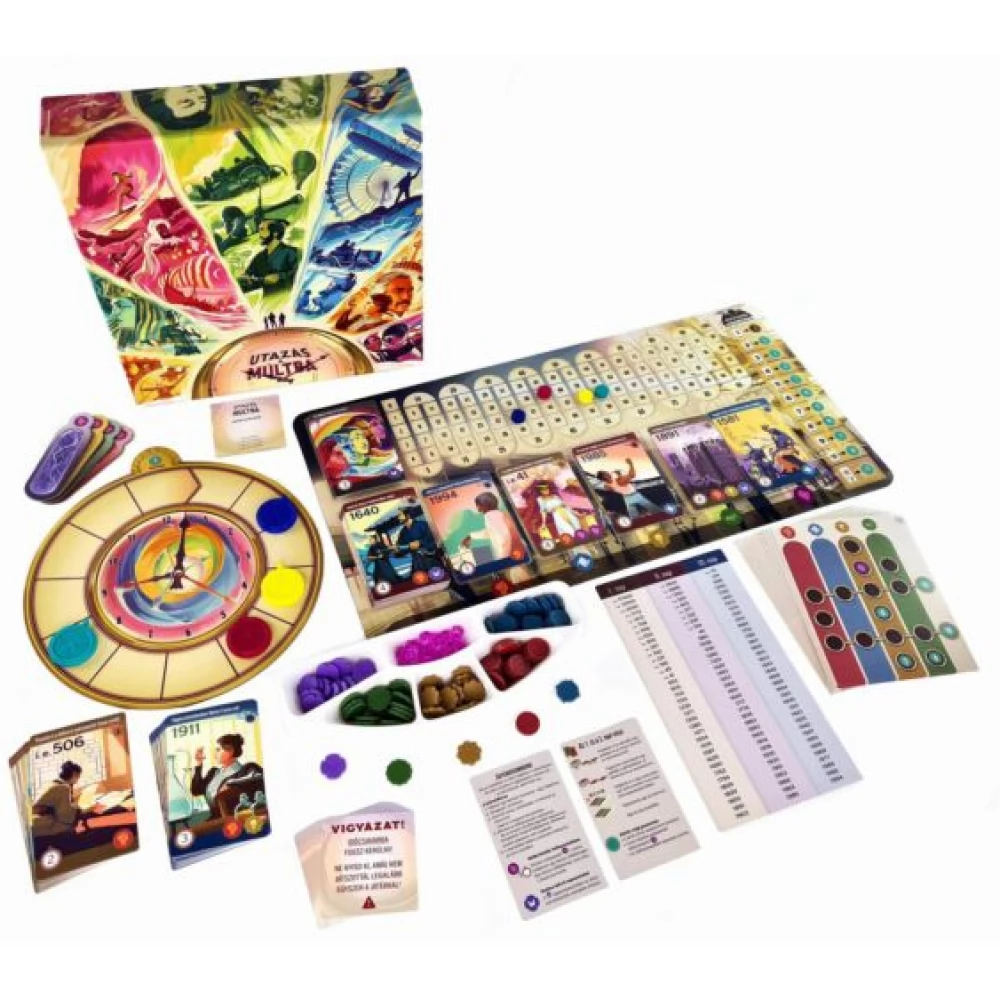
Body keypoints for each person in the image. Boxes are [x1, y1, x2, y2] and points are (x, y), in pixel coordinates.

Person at [190, 734, 263, 821]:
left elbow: (257, 778)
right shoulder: (213, 772)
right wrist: (199, 763)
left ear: (230, 751)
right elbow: (196, 790)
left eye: (218, 750)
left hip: (234, 817)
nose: (214, 754)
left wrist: (231, 784)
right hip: (213, 817)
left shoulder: (246, 769)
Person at [31, 761, 106, 839]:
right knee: (86, 821)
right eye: (78, 777)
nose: (77, 780)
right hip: (45, 821)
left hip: (38, 819)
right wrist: (87, 809)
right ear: (74, 775)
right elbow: (66, 816)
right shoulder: (63, 788)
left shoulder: (54, 783)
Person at [238, 220, 300, 293]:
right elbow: (248, 278)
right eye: (259, 230)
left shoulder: (292, 252)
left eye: (262, 230)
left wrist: (279, 276)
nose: (259, 234)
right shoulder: (259, 257)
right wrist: (244, 279)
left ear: (275, 233)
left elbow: (300, 273)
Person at [596, 458, 663, 520]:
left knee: (653, 510)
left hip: (634, 494)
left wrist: (628, 467)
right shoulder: (608, 485)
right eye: (605, 474)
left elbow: (632, 475)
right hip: (627, 498)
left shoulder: (616, 479)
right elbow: (620, 484)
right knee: (636, 517)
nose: (607, 473)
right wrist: (629, 465)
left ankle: (658, 518)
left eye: (606, 472)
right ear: (603, 478)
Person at [461, 491, 517, 562]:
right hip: (508, 552)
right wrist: (470, 536)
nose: (477, 508)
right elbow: (490, 532)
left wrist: (503, 558)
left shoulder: (490, 516)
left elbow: (503, 537)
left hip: (505, 554)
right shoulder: (498, 514)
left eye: (478, 505)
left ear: (485, 505)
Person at [394, 506, 441, 577]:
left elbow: (434, 538)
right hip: (417, 565)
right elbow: (401, 549)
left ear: (408, 515)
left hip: (431, 560)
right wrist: (397, 551)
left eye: (400, 515)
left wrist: (420, 542)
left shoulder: (422, 524)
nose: (398, 517)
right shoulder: (402, 532)